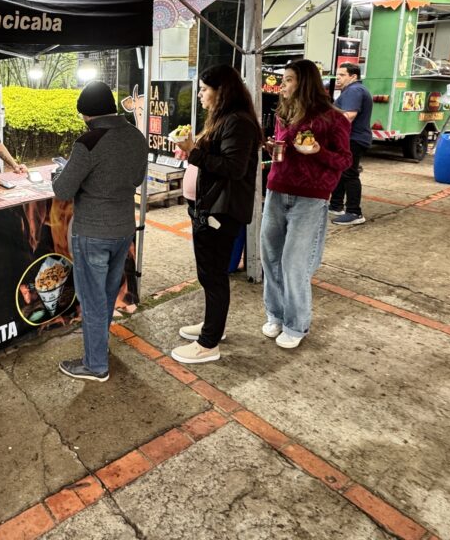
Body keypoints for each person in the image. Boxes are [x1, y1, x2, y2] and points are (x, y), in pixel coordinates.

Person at [53, 81, 148, 381]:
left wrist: (61, 171)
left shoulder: (88, 142)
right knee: (106, 295)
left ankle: (95, 366)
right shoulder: (136, 136)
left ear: (86, 114)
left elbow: (63, 189)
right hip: (123, 229)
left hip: (93, 232)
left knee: (92, 299)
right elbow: (137, 177)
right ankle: (99, 349)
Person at [169, 66, 262, 365]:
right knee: (208, 274)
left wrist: (194, 151)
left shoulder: (238, 122)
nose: (199, 94)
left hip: (222, 211)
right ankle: (212, 327)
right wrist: (192, 149)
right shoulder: (225, 119)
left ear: (221, 91)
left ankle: (209, 343)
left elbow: (233, 168)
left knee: (214, 274)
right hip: (208, 208)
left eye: (203, 89)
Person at [261, 60, 352, 349]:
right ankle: (275, 314)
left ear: (304, 82)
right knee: (270, 256)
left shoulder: (333, 118)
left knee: (294, 263)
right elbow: (282, 146)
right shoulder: (284, 112)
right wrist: (272, 147)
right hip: (277, 189)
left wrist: (317, 151)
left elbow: (345, 160)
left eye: (287, 80)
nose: (282, 85)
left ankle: (296, 324)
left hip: (311, 197)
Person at [329, 62, 373, 226]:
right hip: (351, 138)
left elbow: (348, 116)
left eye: (342, 75)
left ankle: (354, 212)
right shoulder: (353, 90)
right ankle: (336, 205)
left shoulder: (354, 90)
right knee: (341, 171)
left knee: (349, 174)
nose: (338, 78)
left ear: (353, 76)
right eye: (337, 75)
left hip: (353, 139)